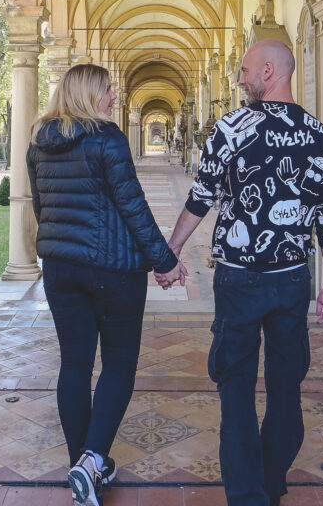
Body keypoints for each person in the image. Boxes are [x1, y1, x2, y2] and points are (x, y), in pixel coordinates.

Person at [157, 39, 323, 506]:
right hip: (293, 278)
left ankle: (248, 495)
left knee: (235, 390)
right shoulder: (320, 135)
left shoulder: (230, 128)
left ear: (267, 71)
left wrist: (170, 252)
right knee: (285, 388)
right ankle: (272, 481)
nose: (239, 79)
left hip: (239, 279)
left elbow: (200, 198)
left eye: (243, 71)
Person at [27, 63, 186, 506]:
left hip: (60, 268)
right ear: (88, 94)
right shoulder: (107, 138)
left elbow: (42, 206)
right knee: (118, 365)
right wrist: (165, 261)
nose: (113, 96)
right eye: (108, 90)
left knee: (74, 365)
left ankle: (85, 466)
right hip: (113, 270)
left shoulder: (39, 141)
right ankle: (92, 459)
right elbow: (133, 206)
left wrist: (64, 244)